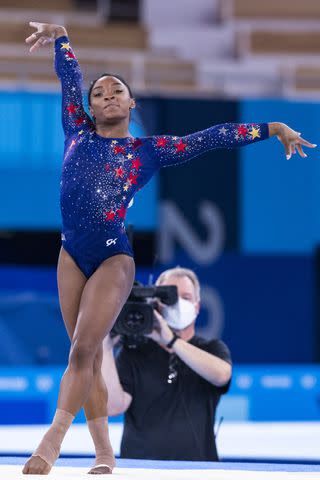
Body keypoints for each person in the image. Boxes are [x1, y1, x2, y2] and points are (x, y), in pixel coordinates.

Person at [22, 20, 316, 475]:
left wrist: (273, 126)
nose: (107, 96)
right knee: (89, 354)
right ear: (90, 108)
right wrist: (61, 36)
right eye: (98, 93)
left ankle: (51, 442)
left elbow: (210, 138)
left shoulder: (147, 151)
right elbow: (69, 79)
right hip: (70, 256)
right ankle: (104, 454)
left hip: (112, 258)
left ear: (132, 103)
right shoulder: (75, 129)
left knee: (82, 350)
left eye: (117, 90)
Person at [103, 267, 232, 461]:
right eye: (169, 296)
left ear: (197, 306)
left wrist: (171, 341)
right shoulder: (134, 353)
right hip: (142, 471)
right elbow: (112, 407)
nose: (179, 303)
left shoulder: (211, 348)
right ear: (157, 305)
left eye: (186, 297)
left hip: (198, 472)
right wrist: (104, 347)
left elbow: (222, 375)